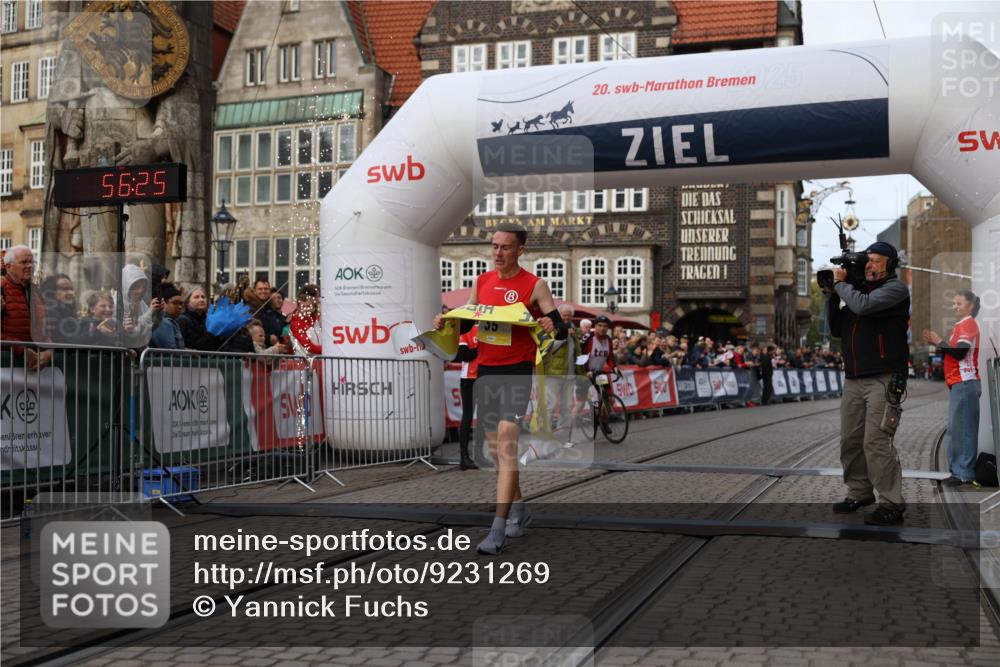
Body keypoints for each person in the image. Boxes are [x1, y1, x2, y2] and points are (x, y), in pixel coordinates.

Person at [431, 223, 565, 555]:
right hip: (486, 371)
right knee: (495, 454)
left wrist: (553, 324)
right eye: (494, 247)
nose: (498, 253)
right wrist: (445, 323)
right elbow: (470, 320)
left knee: (506, 446)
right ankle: (519, 508)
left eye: (505, 247)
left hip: (518, 371)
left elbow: (560, 327)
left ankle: (497, 528)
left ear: (521, 250)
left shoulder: (535, 285)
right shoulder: (482, 282)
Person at [826, 241, 909, 525]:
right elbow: (837, 328)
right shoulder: (856, 292)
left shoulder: (895, 290)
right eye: (867, 261)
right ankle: (860, 491)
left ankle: (892, 503)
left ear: (890, 262)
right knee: (850, 441)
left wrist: (841, 286)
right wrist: (830, 294)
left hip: (884, 378)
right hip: (854, 378)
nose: (870, 265)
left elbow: (864, 307)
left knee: (876, 441)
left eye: (875, 260)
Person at [922, 290, 982, 486]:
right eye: (954, 303)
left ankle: (963, 473)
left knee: (962, 429)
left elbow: (960, 352)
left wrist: (939, 342)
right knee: (957, 429)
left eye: (959, 303)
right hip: (960, 383)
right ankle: (958, 471)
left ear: (970, 306)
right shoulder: (962, 325)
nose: (954, 306)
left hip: (965, 383)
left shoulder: (968, 324)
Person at [0, 245, 51, 368]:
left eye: (31, 262)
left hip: (36, 370)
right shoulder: (1, 288)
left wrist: (49, 351)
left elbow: (46, 328)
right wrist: (21, 349)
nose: (29, 266)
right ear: (9, 267)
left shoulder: (37, 292)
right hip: (6, 367)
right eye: (24, 262)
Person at [540, 304, 583, 445]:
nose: (566, 317)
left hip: (569, 376)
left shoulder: (575, 331)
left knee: (566, 408)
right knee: (549, 405)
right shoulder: (552, 328)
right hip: (553, 373)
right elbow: (547, 348)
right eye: (564, 315)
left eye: (569, 315)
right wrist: (563, 337)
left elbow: (577, 352)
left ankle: (562, 437)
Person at [454, 324, 479, 470]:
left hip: (485, 377)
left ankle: (481, 455)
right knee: (467, 417)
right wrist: (482, 348)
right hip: (469, 379)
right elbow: (463, 356)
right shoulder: (466, 330)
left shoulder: (489, 328)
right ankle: (464, 457)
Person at [121, 264, 163, 349]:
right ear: (126, 286)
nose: (140, 291)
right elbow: (132, 332)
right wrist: (150, 313)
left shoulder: (141, 303)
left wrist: (158, 313)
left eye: (143, 287)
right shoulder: (117, 303)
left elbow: (150, 329)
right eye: (136, 287)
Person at [41, 274, 80, 343]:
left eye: (71, 289)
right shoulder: (50, 311)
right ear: (52, 291)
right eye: (65, 289)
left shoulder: (68, 310)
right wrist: (96, 333)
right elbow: (68, 340)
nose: (71, 293)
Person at [243, 279, 285, 344]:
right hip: (257, 349)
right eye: (260, 289)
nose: (263, 291)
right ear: (255, 291)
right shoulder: (249, 308)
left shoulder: (269, 307)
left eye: (266, 289)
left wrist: (286, 321)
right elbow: (248, 330)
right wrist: (268, 338)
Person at [149, 283, 186, 350]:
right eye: (175, 303)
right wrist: (189, 354)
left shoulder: (172, 322)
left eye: (181, 303)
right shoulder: (163, 323)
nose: (180, 307)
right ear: (163, 303)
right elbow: (171, 351)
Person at [290, 284, 322, 356]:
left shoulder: (315, 321)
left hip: (317, 361)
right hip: (303, 362)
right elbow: (308, 346)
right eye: (303, 306)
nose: (306, 309)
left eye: (308, 306)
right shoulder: (296, 323)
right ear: (298, 307)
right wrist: (326, 350)